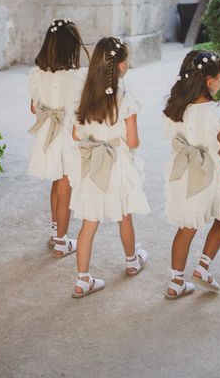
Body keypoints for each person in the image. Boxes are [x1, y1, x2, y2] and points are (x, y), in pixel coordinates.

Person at [162, 50, 220, 300]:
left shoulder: (176, 107)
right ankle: (203, 266)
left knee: (186, 227)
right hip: (210, 175)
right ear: (210, 81)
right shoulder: (217, 112)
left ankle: (175, 282)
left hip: (183, 175)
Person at [69, 37, 151, 298]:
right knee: (123, 215)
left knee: (88, 222)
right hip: (117, 165)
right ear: (123, 66)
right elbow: (134, 141)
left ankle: (82, 279)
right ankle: (131, 260)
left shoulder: (84, 97)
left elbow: (74, 135)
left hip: (92, 165)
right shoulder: (126, 99)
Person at [28, 18, 89, 257]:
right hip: (67, 136)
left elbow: (34, 108)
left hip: (47, 135)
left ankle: (56, 233)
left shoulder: (36, 74)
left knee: (56, 183)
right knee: (65, 187)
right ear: (72, 47)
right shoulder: (79, 77)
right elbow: (82, 109)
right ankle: (62, 242)